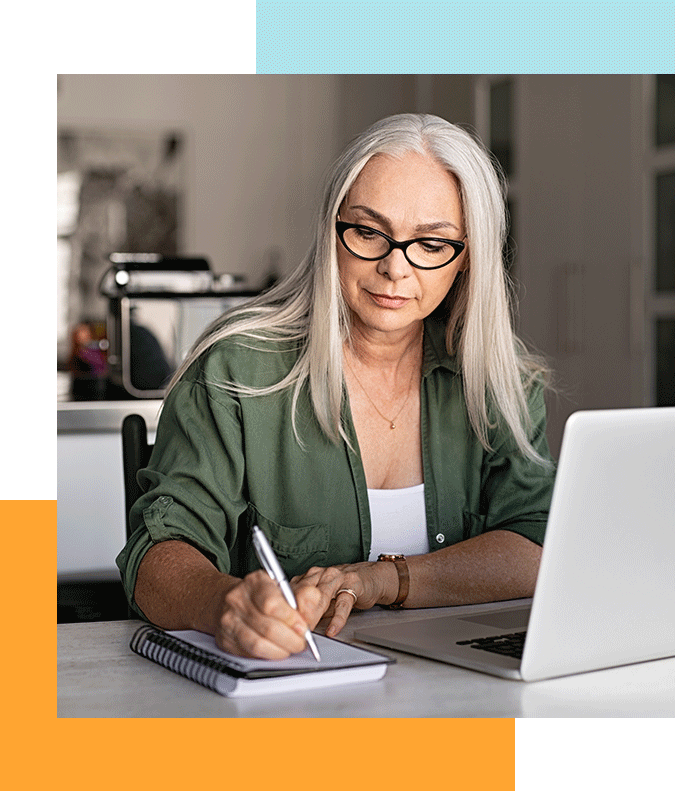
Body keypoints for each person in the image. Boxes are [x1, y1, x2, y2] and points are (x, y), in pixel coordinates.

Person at [116, 113, 556, 661]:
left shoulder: (501, 379)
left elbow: (537, 545)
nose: (395, 268)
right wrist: (223, 603)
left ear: (467, 259)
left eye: (432, 243)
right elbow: (156, 555)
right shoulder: (235, 368)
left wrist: (383, 580)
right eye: (369, 232)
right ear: (332, 231)